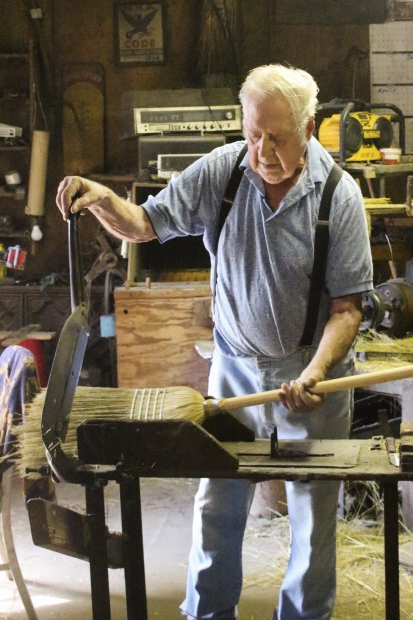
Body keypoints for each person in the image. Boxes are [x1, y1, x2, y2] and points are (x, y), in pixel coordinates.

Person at [56, 63, 373, 620]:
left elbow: (347, 309)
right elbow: (144, 224)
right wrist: (102, 198)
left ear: (310, 127)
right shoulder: (223, 173)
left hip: (308, 372)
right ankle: (208, 614)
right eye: (253, 133)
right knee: (218, 504)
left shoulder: (339, 198)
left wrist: (317, 371)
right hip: (233, 368)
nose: (261, 150)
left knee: (313, 515)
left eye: (276, 137)